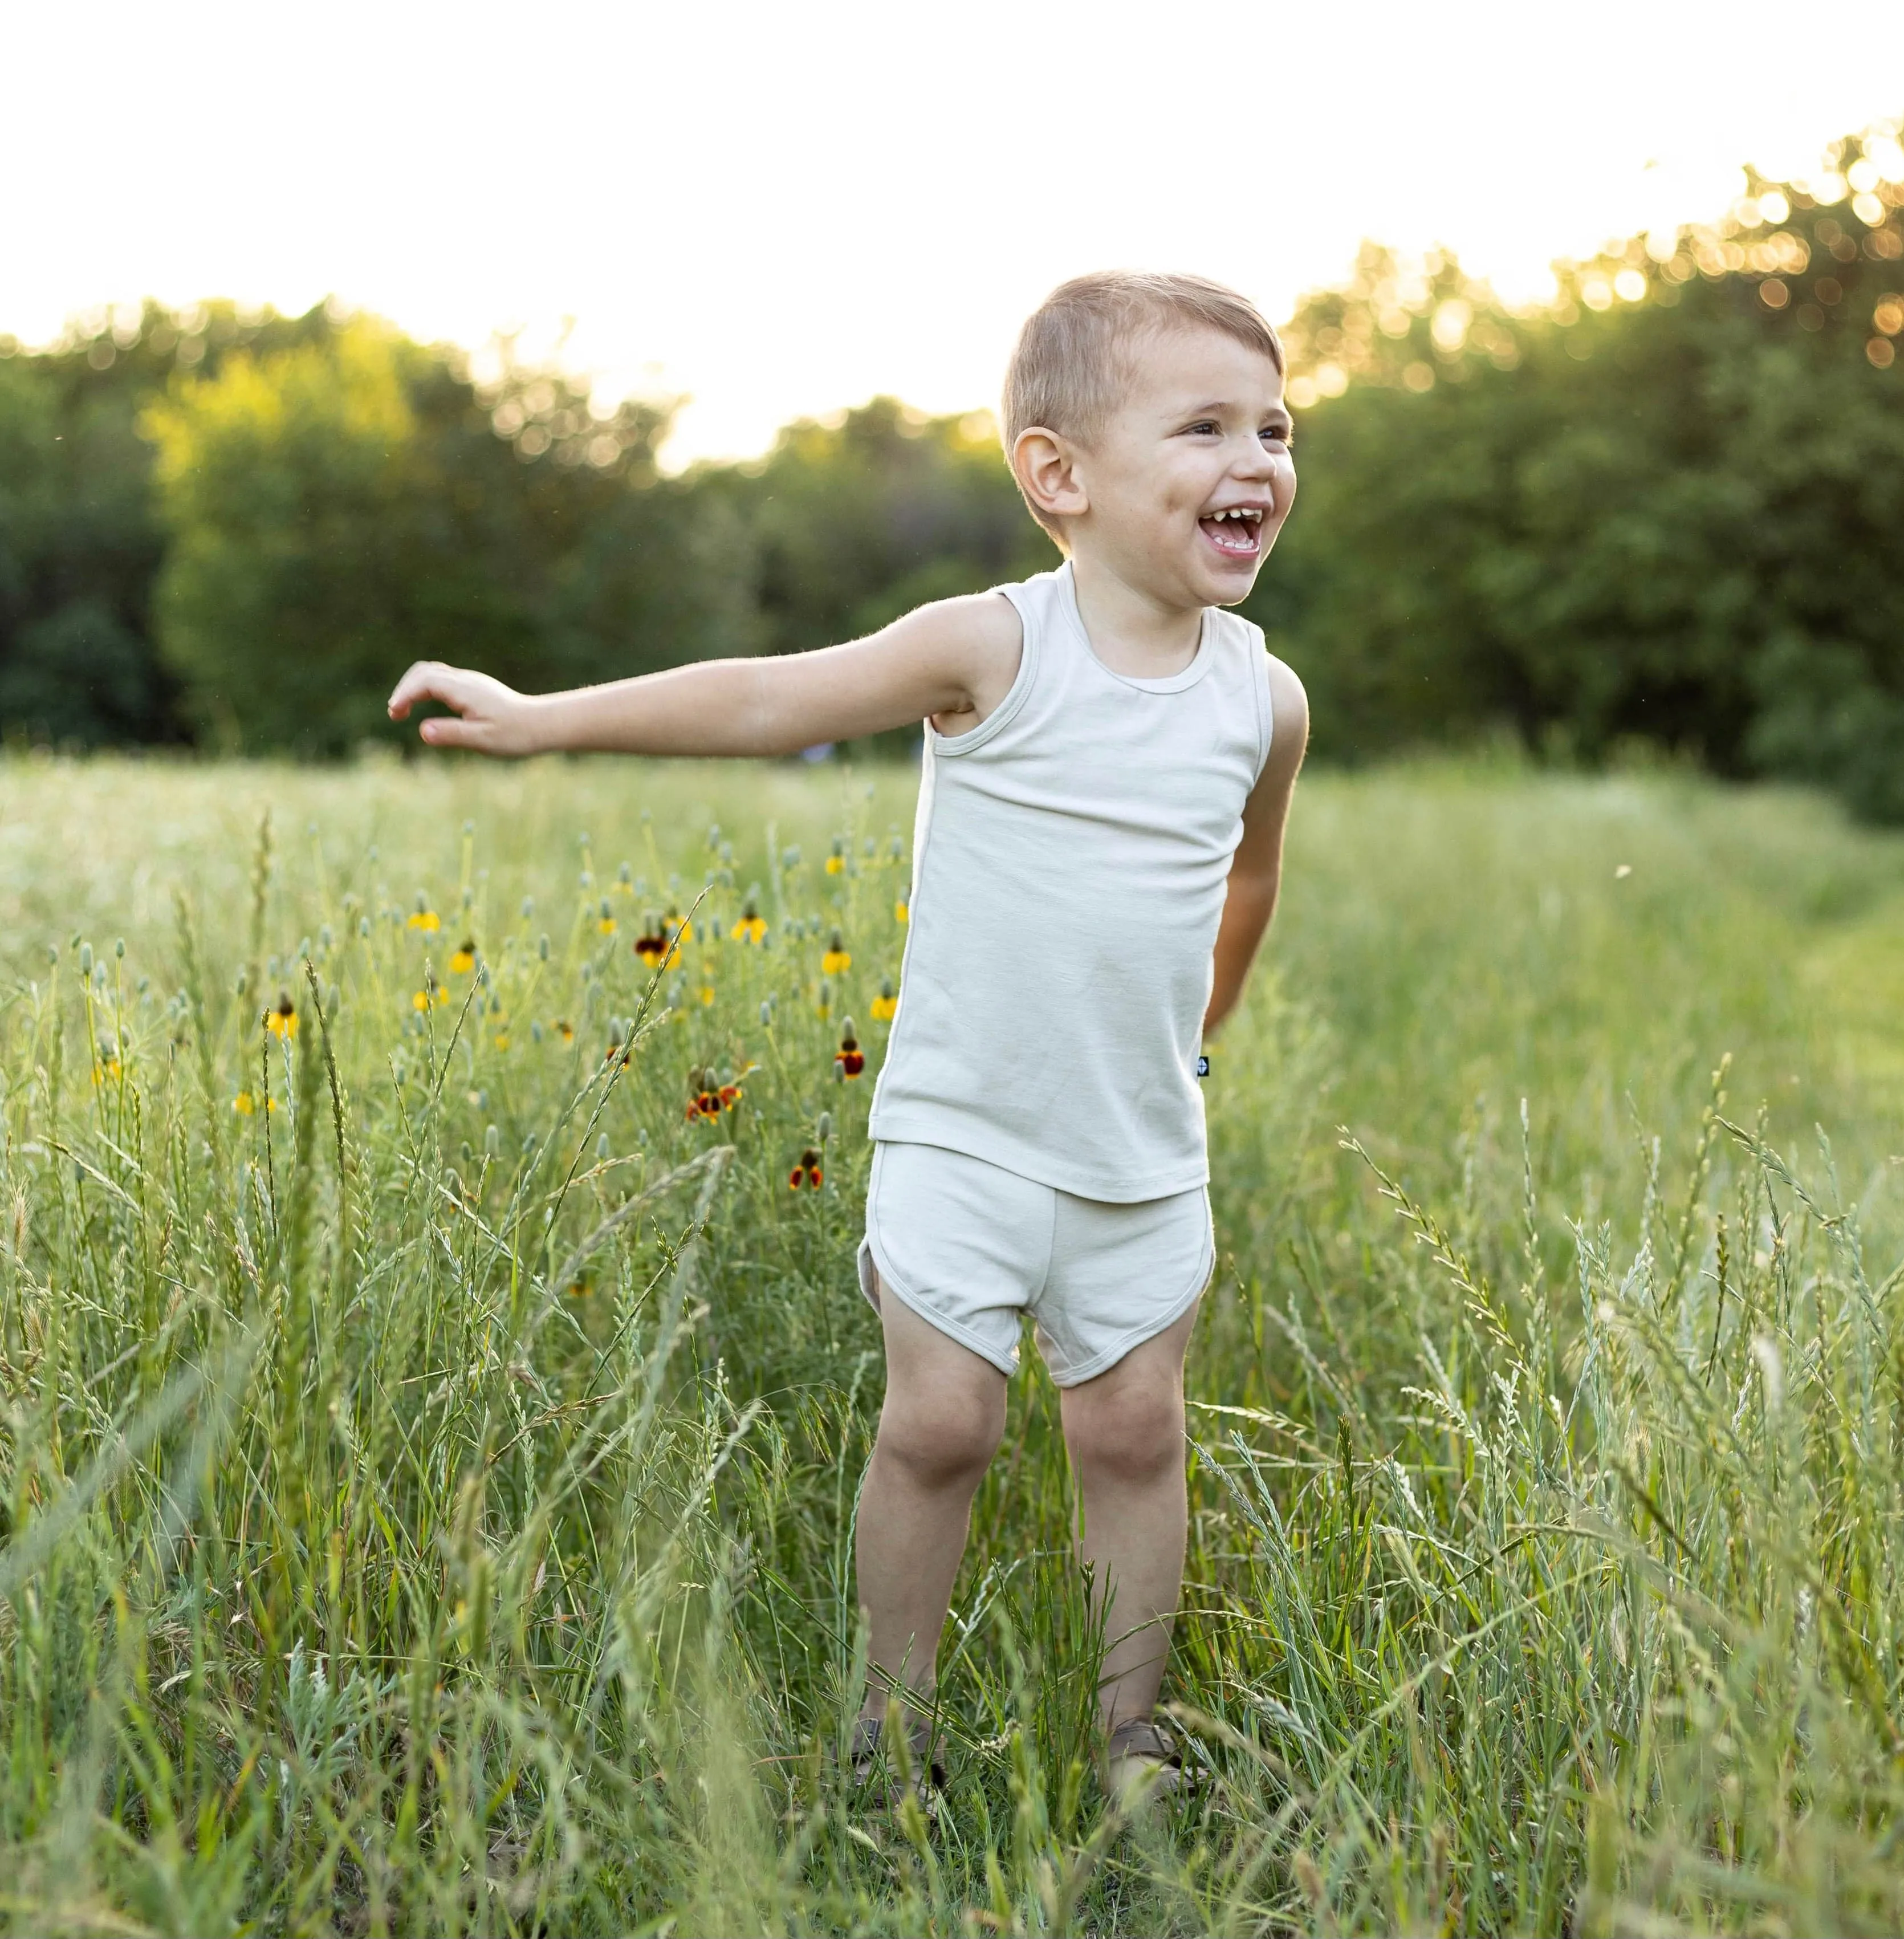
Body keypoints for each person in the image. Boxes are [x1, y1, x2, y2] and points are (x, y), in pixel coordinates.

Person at [388, 271, 1308, 1807]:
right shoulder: (992, 651)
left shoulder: (1261, 701)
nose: (1258, 461)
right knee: (943, 1422)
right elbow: (768, 697)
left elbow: (1252, 871)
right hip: (963, 1130)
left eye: (1275, 427)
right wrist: (540, 716)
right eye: (1205, 426)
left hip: (1143, 1148)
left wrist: (1203, 1025)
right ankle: (893, 1730)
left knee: (1137, 1430)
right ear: (1058, 476)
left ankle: (1129, 1736)